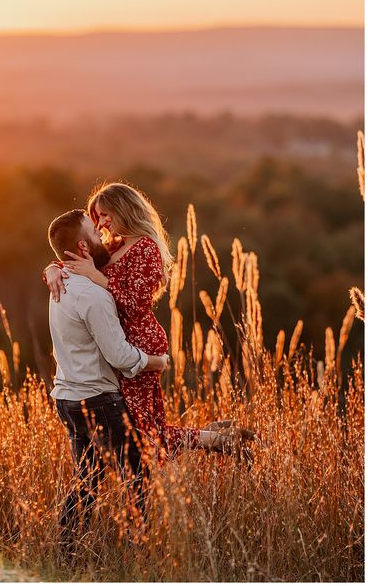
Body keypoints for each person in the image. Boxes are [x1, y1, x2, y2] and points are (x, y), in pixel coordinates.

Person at [45, 183, 255, 462]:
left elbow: (136, 304)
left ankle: (213, 440)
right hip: (118, 343)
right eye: (98, 218)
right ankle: (211, 436)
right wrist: (51, 270)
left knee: (143, 433)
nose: (102, 223)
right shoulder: (115, 244)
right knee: (136, 429)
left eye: (106, 215)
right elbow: (75, 259)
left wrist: (99, 278)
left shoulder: (147, 249)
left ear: (125, 209)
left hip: (139, 343)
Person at [47, 208, 169, 539]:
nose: (103, 234)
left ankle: (67, 553)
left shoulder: (62, 283)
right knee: (138, 478)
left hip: (67, 400)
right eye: (95, 232)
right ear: (83, 248)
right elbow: (120, 356)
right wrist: (156, 362)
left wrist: (51, 268)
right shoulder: (96, 296)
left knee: (88, 479)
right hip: (99, 400)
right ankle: (138, 553)